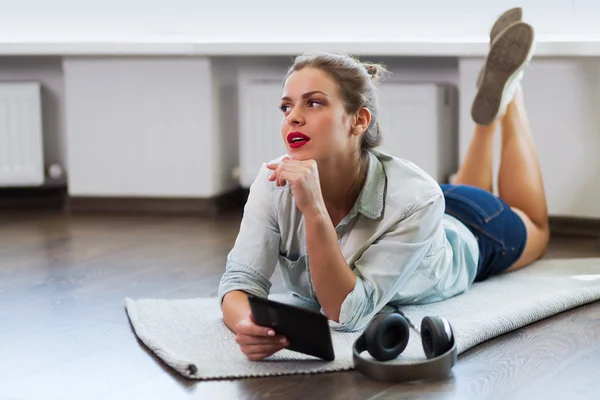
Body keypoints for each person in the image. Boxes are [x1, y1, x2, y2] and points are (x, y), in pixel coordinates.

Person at [218, 8, 549, 361]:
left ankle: (512, 98)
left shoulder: (417, 197)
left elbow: (345, 313)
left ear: (359, 120)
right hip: (417, 214)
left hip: (474, 228)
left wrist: (313, 210)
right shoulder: (272, 183)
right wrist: (246, 324)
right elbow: (240, 281)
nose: (293, 117)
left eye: (314, 102)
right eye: (286, 107)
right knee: (450, 199)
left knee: (536, 226)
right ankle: (489, 114)